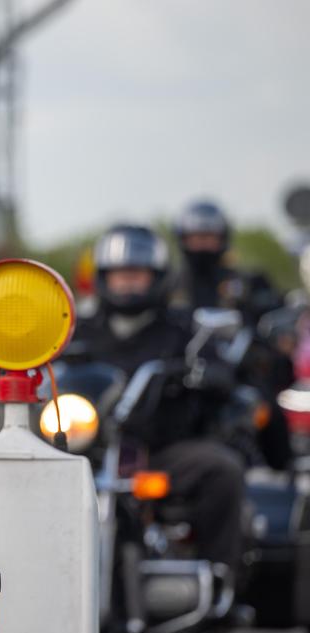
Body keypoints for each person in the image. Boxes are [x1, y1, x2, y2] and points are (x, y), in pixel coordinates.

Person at [69, 224, 246, 574]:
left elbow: (222, 368)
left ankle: (220, 574)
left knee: (222, 469)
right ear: (103, 277)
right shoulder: (77, 328)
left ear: (158, 277)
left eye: (137, 274)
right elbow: (42, 361)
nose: (127, 282)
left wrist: (209, 372)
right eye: (119, 274)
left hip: (160, 450)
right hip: (86, 451)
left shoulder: (184, 329)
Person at [171, 199, 293, 470]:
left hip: (238, 373)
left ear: (222, 239)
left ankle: (283, 472)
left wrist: (261, 346)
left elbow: (272, 316)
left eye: (209, 237)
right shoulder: (170, 286)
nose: (202, 245)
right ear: (183, 240)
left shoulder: (247, 283)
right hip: (184, 373)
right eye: (196, 238)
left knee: (267, 407)